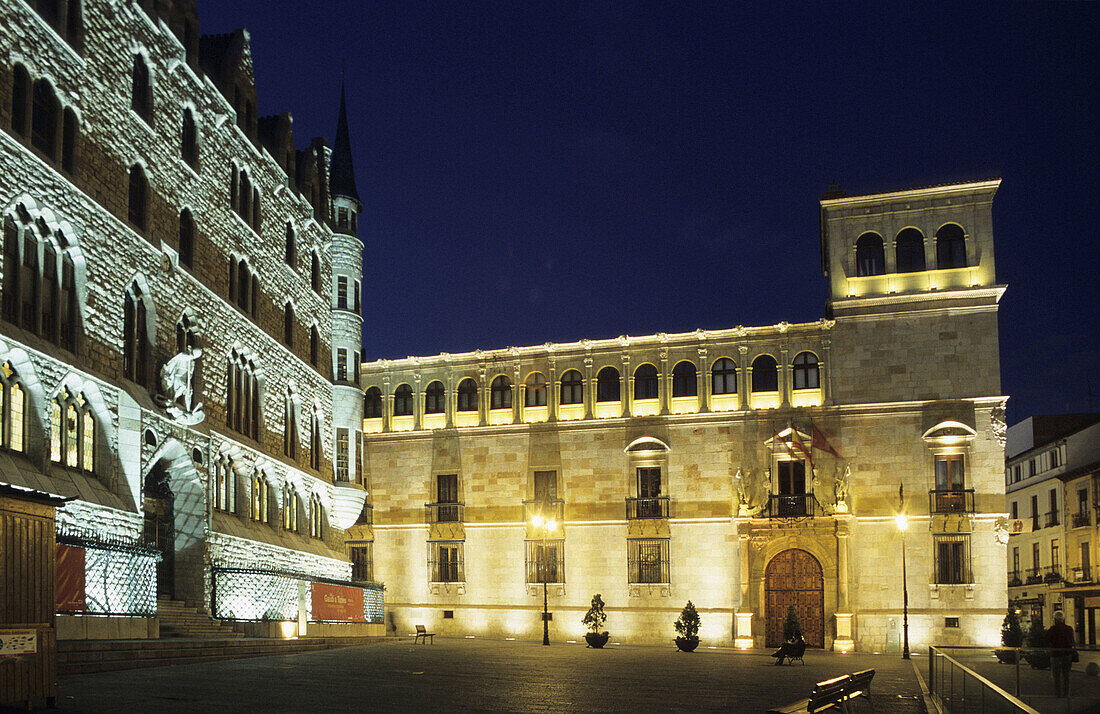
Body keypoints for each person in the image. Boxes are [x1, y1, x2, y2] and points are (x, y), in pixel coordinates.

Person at [1046, 610, 1075, 698]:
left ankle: (1057, 694)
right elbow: (1072, 641)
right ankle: (1066, 694)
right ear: (1063, 619)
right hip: (1067, 654)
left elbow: (1046, 639)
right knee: (1066, 675)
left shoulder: (1052, 629)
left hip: (1056, 654)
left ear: (1055, 619)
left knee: (1056, 676)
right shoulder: (1069, 629)